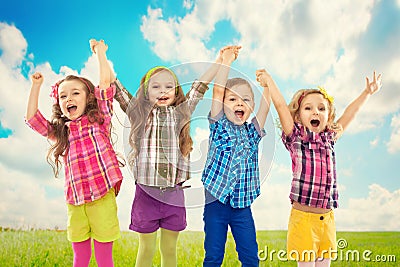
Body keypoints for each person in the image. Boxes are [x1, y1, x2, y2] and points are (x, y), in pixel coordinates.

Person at [90, 39, 237, 266]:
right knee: (146, 249)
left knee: (169, 249)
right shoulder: (138, 112)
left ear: (176, 91)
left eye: (169, 86)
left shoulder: (182, 111)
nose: (163, 91)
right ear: (145, 92)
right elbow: (116, 86)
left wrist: (219, 59)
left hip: (174, 195)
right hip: (146, 194)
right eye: (155, 86)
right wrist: (101, 53)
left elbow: (200, 85)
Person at [255, 69, 382, 267]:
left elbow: (350, 113)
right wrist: (268, 80)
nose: (316, 112)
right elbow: (280, 105)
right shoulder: (296, 137)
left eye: (321, 109)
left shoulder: (330, 138)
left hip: (327, 220)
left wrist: (367, 93)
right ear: (297, 117)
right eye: (308, 108)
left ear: (328, 117)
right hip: (303, 220)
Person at [25, 40, 123, 267]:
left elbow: (105, 85)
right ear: (59, 104)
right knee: (80, 258)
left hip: (102, 196)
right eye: (63, 96)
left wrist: (100, 52)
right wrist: (36, 87)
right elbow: (32, 119)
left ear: (88, 98)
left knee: (103, 258)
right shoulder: (61, 132)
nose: (68, 98)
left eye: (75, 93)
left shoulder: (100, 120)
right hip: (75, 201)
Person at [201, 46, 270, 267]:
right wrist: (227, 61)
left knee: (250, 256)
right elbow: (217, 91)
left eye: (246, 100)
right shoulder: (219, 124)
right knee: (213, 255)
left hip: (242, 206)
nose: (240, 103)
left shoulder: (252, 132)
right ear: (223, 104)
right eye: (233, 99)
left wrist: (267, 86)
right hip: (216, 202)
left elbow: (265, 109)